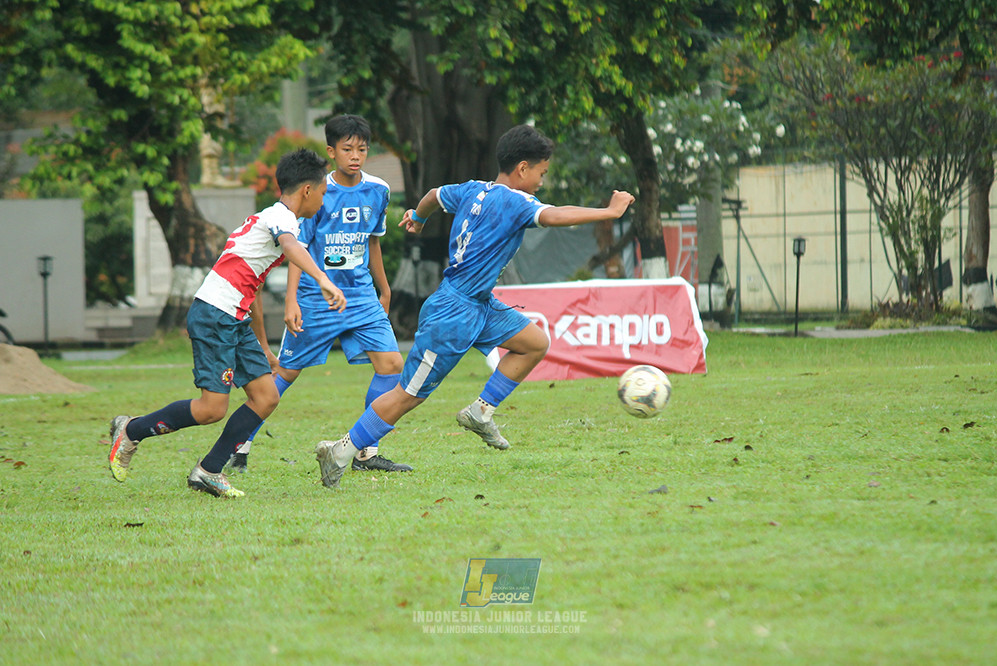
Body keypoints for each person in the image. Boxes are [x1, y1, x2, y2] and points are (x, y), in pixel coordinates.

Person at [314, 124, 635, 489]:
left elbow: (434, 194)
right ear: (523, 169)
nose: (541, 183)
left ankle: (481, 412)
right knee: (408, 395)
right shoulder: (517, 201)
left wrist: (418, 218)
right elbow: (556, 215)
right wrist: (609, 212)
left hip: (479, 304)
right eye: (541, 174)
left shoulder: (472, 189)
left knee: (534, 343)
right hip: (453, 312)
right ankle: (340, 450)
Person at [107, 148, 346, 498]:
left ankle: (208, 471)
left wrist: (263, 346)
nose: (323, 203)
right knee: (211, 409)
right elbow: (293, 247)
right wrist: (323, 280)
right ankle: (131, 430)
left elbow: (256, 291)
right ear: (308, 190)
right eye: (323, 193)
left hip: (234, 318)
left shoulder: (273, 224)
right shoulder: (282, 219)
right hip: (215, 314)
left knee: (265, 396)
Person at [228, 114, 412, 475]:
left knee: (392, 365)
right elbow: (298, 248)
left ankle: (364, 451)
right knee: (285, 373)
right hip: (317, 298)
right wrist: (292, 300)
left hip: (360, 296)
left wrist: (384, 288)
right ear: (331, 152)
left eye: (361, 149)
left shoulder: (378, 190)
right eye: (347, 149)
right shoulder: (317, 192)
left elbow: (372, 241)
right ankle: (239, 445)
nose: (355, 156)